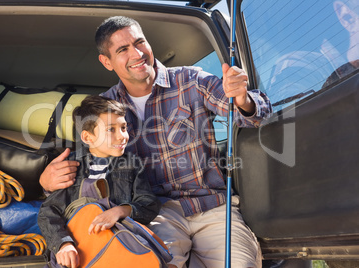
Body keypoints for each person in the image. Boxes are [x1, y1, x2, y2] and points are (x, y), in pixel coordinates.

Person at [40, 16, 272, 267]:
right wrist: (46, 183)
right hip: (153, 215)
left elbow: (255, 117)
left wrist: (241, 99)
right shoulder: (103, 110)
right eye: (123, 49)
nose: (137, 53)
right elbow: (87, 169)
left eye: (140, 42)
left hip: (214, 208)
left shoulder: (191, 80)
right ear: (106, 61)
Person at [38, 95, 161, 268]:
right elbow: (49, 213)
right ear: (88, 138)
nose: (122, 136)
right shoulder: (71, 167)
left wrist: (120, 211)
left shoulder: (131, 164)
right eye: (111, 130)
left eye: (123, 127)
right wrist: (63, 245)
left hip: (117, 241)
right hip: (78, 243)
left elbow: (149, 204)